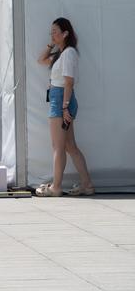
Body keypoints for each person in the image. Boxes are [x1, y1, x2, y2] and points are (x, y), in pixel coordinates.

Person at [35, 18, 95, 197]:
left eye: (55, 31)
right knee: (69, 146)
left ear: (65, 33)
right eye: (51, 32)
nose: (52, 34)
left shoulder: (68, 53)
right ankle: (87, 185)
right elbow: (41, 60)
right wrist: (51, 44)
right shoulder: (61, 54)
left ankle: (56, 187)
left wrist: (64, 107)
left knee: (58, 146)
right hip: (60, 98)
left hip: (61, 99)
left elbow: (69, 82)